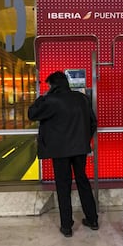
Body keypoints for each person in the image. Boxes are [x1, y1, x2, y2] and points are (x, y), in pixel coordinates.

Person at [28, 71, 98, 237]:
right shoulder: (81, 99)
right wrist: (84, 139)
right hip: (80, 149)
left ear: (53, 85)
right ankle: (93, 219)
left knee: (63, 185)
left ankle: (66, 226)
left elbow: (32, 113)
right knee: (83, 181)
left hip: (59, 151)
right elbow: (93, 122)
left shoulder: (50, 100)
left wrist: (44, 96)